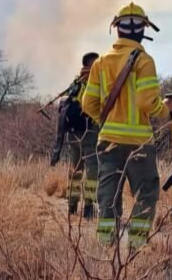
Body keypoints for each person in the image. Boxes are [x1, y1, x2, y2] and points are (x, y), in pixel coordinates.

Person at [82, 2, 172, 250]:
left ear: (117, 30)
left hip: (108, 141)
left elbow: (88, 103)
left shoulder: (101, 63)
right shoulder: (144, 61)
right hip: (139, 144)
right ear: (143, 30)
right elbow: (147, 102)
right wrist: (166, 110)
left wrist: (108, 121)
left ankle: (105, 249)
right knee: (146, 194)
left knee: (108, 196)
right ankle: (135, 249)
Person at [61, 52, 100, 219]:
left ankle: (72, 205)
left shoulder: (75, 82)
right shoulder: (94, 82)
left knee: (75, 170)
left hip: (72, 134)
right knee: (92, 170)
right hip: (90, 132)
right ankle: (89, 207)